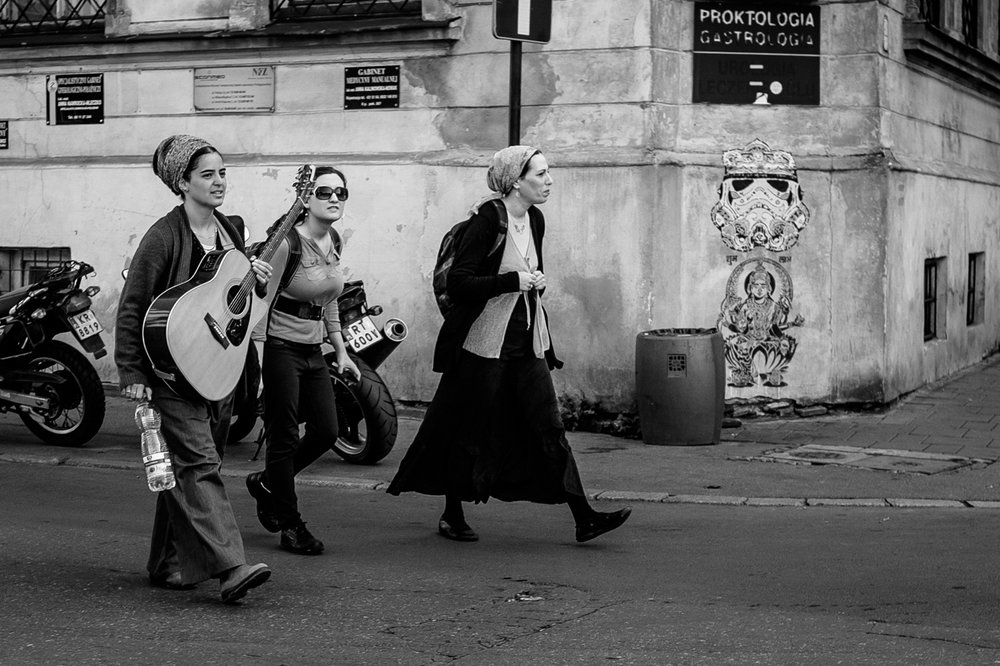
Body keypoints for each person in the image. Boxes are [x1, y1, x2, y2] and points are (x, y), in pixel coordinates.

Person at [386, 145, 632, 543]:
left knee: (550, 427)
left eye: (548, 173)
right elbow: (459, 283)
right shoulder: (487, 222)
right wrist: (512, 281)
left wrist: (536, 282)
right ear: (516, 182)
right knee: (468, 428)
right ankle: (452, 513)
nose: (549, 181)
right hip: (483, 346)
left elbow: (530, 273)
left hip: (527, 344)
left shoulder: (535, 219)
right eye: (540, 174)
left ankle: (584, 517)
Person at [115, 134, 273, 603]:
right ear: (183, 183)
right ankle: (231, 568)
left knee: (191, 468)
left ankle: (166, 563)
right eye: (208, 174)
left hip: (215, 368)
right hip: (168, 372)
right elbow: (133, 306)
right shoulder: (163, 236)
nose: (219, 181)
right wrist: (132, 373)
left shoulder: (229, 231)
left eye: (223, 172)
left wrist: (258, 281)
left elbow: (237, 299)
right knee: (200, 466)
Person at [245, 166, 360, 556]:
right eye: (325, 192)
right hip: (281, 349)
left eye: (341, 193)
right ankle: (291, 525)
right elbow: (261, 305)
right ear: (306, 199)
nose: (334, 198)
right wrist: (261, 368)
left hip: (312, 352)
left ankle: (266, 483)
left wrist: (341, 351)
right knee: (284, 438)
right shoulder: (286, 245)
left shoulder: (334, 240)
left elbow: (328, 300)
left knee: (327, 431)